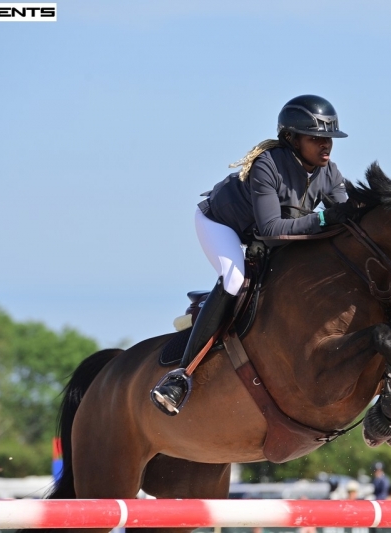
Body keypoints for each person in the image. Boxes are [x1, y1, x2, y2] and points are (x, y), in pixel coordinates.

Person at [151, 95, 359, 416]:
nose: (326, 145)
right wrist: (322, 219)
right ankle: (180, 377)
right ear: (291, 138)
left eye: (329, 138)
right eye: (315, 138)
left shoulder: (329, 172)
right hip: (221, 224)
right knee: (235, 280)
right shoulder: (268, 164)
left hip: (262, 236)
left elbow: (346, 217)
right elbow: (272, 230)